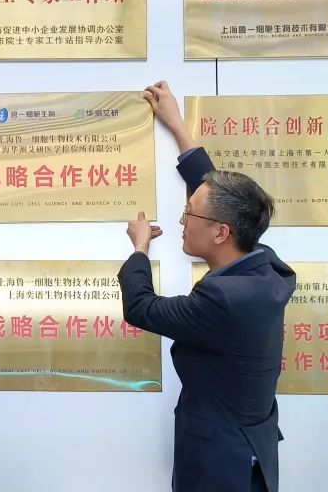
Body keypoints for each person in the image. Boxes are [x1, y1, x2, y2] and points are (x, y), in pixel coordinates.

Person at [118, 81, 296, 492]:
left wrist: (140, 249)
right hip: (248, 451)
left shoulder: (223, 299)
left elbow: (141, 308)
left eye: (188, 214)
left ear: (220, 233)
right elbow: (215, 196)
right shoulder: (262, 264)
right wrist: (177, 125)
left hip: (222, 466)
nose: (182, 221)